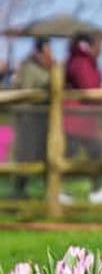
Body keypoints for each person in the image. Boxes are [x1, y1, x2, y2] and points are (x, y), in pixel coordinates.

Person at [64, 33, 102, 205]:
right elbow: (89, 86)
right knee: (74, 154)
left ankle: (96, 189)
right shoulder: (82, 62)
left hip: (82, 119)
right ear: (91, 45)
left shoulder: (82, 60)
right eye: (99, 45)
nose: (101, 49)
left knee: (91, 152)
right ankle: (62, 190)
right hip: (77, 119)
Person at [11, 37, 53, 198]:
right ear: (39, 51)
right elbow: (27, 92)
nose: (50, 53)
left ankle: (49, 190)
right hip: (29, 120)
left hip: (42, 120)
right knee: (26, 156)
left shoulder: (46, 67)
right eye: (47, 50)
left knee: (44, 154)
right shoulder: (29, 67)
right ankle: (19, 191)